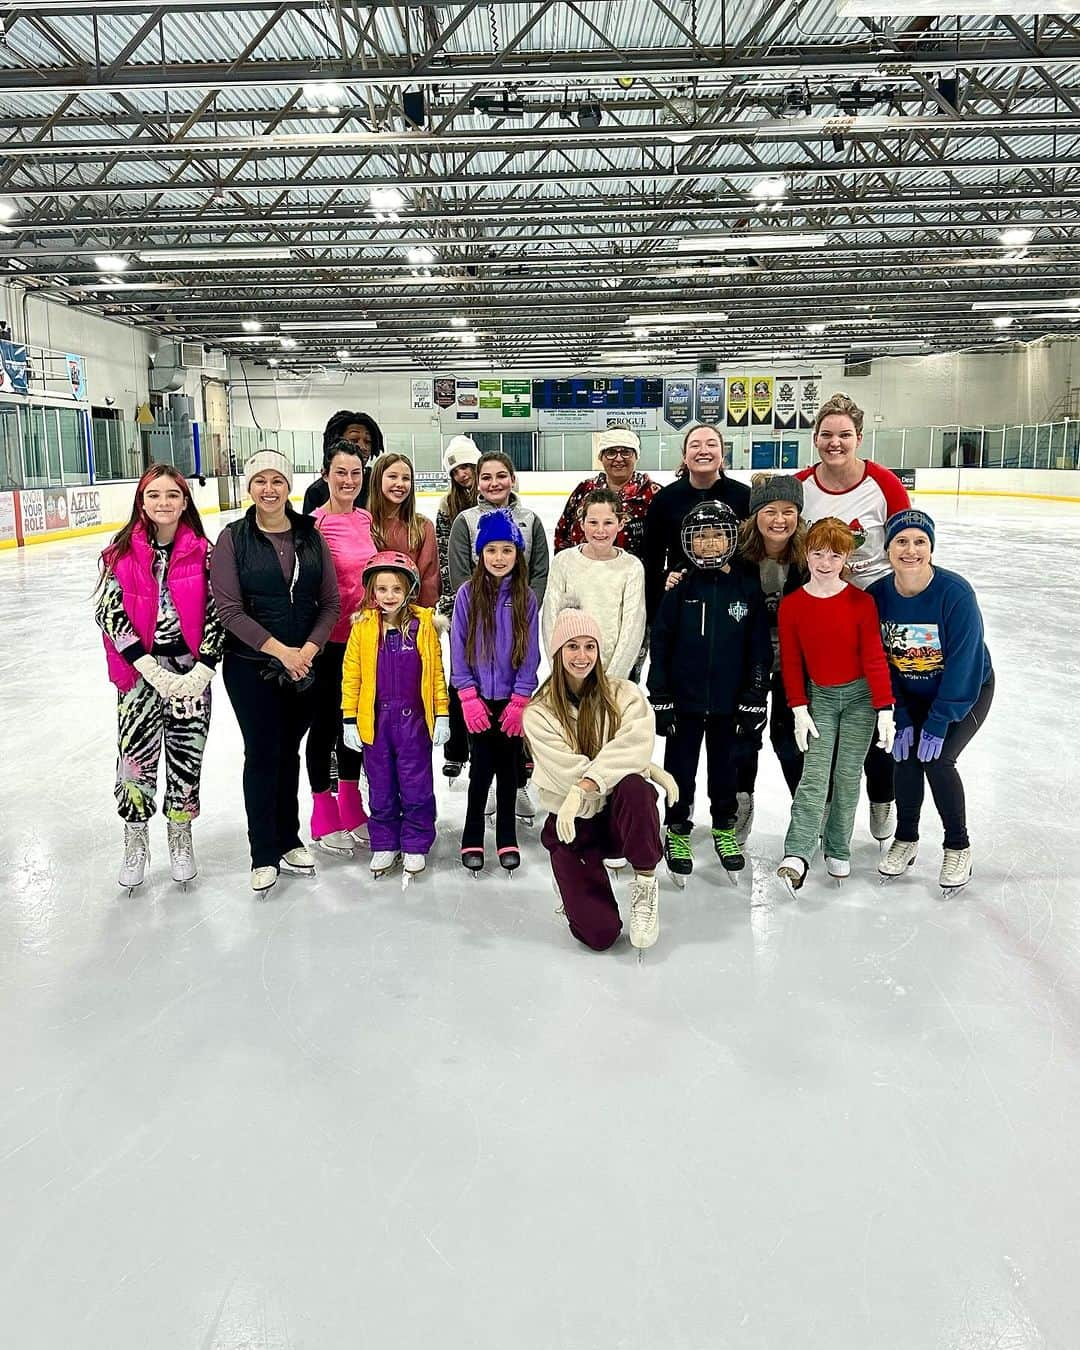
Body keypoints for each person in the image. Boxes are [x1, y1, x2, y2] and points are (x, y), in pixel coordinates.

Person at [210, 450, 340, 896]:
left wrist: (306, 649)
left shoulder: (310, 535)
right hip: (252, 670)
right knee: (263, 754)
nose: (269, 489)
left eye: (277, 481)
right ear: (249, 487)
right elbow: (228, 609)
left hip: (304, 666)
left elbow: (330, 603)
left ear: (289, 486)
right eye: (260, 481)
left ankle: (289, 839)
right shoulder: (233, 539)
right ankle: (262, 851)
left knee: (290, 753)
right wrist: (278, 650)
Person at [95, 464, 224, 893]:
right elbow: (108, 612)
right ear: (142, 502)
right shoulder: (122, 552)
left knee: (187, 757)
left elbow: (218, 611)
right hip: (139, 676)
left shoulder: (205, 553)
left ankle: (180, 835)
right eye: (154, 495)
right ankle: (135, 839)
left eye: (172, 495)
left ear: (185, 502)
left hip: (190, 676)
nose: (163, 503)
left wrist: (203, 667)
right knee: (135, 760)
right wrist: (147, 668)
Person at [525, 608, 678, 952]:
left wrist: (614, 776)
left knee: (636, 789)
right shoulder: (538, 713)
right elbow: (567, 769)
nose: (582, 656)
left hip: (618, 818)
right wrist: (631, 766)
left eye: (589, 646)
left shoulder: (625, 694)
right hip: (573, 824)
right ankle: (571, 886)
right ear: (558, 653)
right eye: (572, 647)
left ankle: (645, 883)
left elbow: (635, 742)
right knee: (599, 936)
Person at [796, 391, 911, 842]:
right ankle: (825, 806)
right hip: (826, 615)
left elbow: (907, 542)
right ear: (815, 438)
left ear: (859, 437)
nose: (835, 442)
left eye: (844, 434)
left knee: (878, 708)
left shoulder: (883, 483)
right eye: (826, 434)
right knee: (829, 714)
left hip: (877, 610)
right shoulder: (803, 485)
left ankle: (882, 795)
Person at [870, 509, 994, 893]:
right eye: (901, 542)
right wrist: (901, 714)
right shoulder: (878, 596)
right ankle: (905, 839)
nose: (910, 550)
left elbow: (964, 662)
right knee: (903, 755)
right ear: (888, 548)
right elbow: (879, 660)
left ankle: (958, 844)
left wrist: (939, 721)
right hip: (909, 694)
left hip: (966, 692)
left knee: (937, 759)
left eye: (919, 542)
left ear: (931, 548)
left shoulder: (954, 593)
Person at [648, 501, 771, 881]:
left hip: (729, 706)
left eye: (718, 534)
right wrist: (661, 696)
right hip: (683, 705)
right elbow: (662, 646)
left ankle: (723, 827)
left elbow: (759, 650)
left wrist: (754, 697)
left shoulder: (747, 588)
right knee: (679, 772)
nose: (710, 543)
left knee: (726, 772)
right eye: (701, 536)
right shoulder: (679, 589)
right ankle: (678, 828)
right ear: (689, 543)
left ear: (731, 538)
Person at [776, 517, 895, 896]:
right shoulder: (793, 605)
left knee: (846, 776)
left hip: (860, 699)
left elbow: (874, 657)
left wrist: (885, 708)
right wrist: (798, 707)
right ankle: (797, 851)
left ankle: (838, 845)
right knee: (814, 776)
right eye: (817, 553)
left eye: (834, 554)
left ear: (846, 557)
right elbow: (791, 661)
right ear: (806, 554)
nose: (825, 562)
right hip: (821, 698)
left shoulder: (861, 602)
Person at [341, 552, 449, 879]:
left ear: (409, 591)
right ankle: (385, 841)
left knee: (416, 784)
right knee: (380, 785)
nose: (389, 596)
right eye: (382, 589)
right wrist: (349, 718)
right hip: (376, 722)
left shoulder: (424, 626)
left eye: (397, 589)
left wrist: (441, 713)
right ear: (372, 592)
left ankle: (415, 841)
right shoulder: (363, 628)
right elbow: (352, 675)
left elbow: (436, 675)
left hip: (414, 722)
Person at [451, 510, 540, 873]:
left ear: (517, 553)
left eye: (507, 550)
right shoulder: (467, 595)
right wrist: (467, 694)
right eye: (491, 550)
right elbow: (457, 647)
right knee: (480, 769)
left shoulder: (526, 598)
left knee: (509, 769)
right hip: (477, 700)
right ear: (480, 554)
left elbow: (532, 651)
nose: (499, 557)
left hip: (510, 700)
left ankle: (507, 834)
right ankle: (472, 832)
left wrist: (521, 698)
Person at [305, 439, 377, 855]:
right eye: (340, 472)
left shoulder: (366, 519)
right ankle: (322, 809)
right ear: (325, 475)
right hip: (327, 644)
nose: (348, 480)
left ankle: (352, 804)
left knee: (356, 721)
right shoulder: (313, 525)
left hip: (363, 641)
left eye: (355, 473)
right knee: (326, 726)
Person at [730, 472, 809, 842]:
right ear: (755, 514)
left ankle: (807, 809)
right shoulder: (737, 553)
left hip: (796, 661)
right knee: (744, 735)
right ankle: (741, 803)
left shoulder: (810, 555)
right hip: (747, 659)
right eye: (770, 511)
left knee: (789, 737)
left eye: (789, 511)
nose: (780, 520)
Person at [642, 422, 751, 622]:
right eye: (695, 445)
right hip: (684, 597)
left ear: (722, 452)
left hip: (733, 597)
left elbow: (753, 553)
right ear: (684, 456)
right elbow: (652, 560)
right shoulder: (665, 500)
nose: (703, 451)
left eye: (711, 444)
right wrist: (661, 589)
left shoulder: (744, 497)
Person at [541, 488, 646, 681]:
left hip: (612, 678)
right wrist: (561, 674)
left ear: (621, 524)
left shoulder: (631, 567)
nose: (600, 530)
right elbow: (550, 620)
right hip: (569, 674)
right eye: (593, 522)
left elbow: (633, 629)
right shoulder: (564, 562)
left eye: (608, 523)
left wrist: (613, 680)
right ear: (582, 524)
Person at [434, 435, 480, 782]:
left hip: (499, 602)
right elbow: (444, 556)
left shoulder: (499, 496)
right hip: (461, 602)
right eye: (457, 469)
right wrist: (456, 600)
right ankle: (456, 750)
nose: (464, 473)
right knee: (459, 676)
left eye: (468, 466)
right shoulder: (447, 508)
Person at [447, 451, 549, 602]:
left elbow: (539, 574)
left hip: (520, 614)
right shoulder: (464, 521)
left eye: (501, 476)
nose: (494, 483)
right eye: (487, 478)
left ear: (512, 479)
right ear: (478, 483)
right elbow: (460, 576)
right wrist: (479, 609)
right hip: (479, 613)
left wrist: (528, 607)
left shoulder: (531, 520)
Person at [552, 426, 661, 560]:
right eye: (611, 452)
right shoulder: (584, 490)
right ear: (601, 457)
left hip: (639, 578)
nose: (619, 458)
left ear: (636, 456)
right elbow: (562, 533)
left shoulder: (654, 495)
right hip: (584, 576)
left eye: (626, 452)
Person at [366, 452, 439, 607]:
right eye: (393, 476)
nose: (400, 483)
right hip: (369, 619)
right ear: (377, 480)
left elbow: (429, 582)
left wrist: (423, 620)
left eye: (406, 478)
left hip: (410, 619)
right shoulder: (363, 524)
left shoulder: (423, 527)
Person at [302, 411, 384, 514]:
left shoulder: (376, 483)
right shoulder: (316, 492)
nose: (363, 447)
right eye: (354, 440)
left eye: (368, 442)